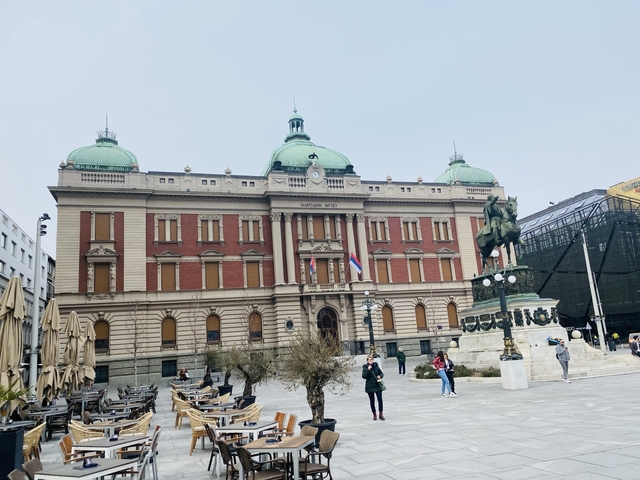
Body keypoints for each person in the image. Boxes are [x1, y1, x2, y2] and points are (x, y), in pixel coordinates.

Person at [362, 355, 385, 420]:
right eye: (369, 360)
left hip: (377, 385)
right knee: (372, 401)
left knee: (380, 399)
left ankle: (381, 414)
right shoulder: (365, 367)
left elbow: (381, 373)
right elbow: (364, 376)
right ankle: (374, 414)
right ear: (367, 361)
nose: (371, 361)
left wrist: (380, 376)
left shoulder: (376, 366)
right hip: (370, 386)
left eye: (371, 359)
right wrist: (368, 370)